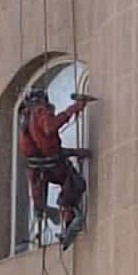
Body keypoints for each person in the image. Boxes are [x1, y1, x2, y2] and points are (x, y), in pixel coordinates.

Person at [18, 87, 89, 249]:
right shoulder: (39, 112)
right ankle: (69, 218)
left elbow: (44, 150)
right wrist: (72, 109)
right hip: (51, 167)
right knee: (75, 183)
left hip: (38, 170)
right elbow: (50, 128)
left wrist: (75, 152)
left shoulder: (26, 118)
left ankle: (57, 217)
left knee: (47, 195)